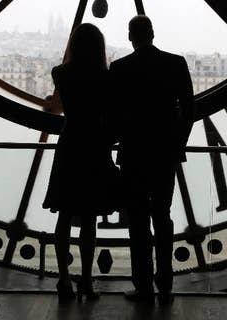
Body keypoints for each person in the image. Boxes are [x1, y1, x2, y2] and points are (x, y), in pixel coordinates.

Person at [109, 15, 194, 305]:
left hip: (134, 154)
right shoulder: (176, 63)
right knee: (162, 215)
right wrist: (177, 142)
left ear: (130, 36)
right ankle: (165, 282)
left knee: (138, 221)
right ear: (153, 34)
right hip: (164, 153)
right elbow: (189, 109)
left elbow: (114, 115)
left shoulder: (120, 69)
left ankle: (143, 285)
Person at [42, 23, 120, 303]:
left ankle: (64, 279)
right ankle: (86, 279)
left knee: (64, 215)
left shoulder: (60, 73)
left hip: (70, 144)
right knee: (89, 220)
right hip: (95, 146)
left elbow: (59, 106)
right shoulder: (105, 77)